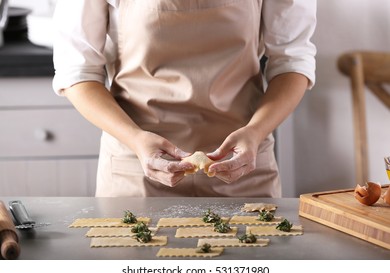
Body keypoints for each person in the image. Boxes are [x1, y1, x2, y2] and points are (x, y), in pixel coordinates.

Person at [52, 0, 316, 197]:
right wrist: (135, 138)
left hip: (244, 167)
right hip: (136, 170)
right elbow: (79, 73)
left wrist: (255, 132)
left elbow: (291, 61)